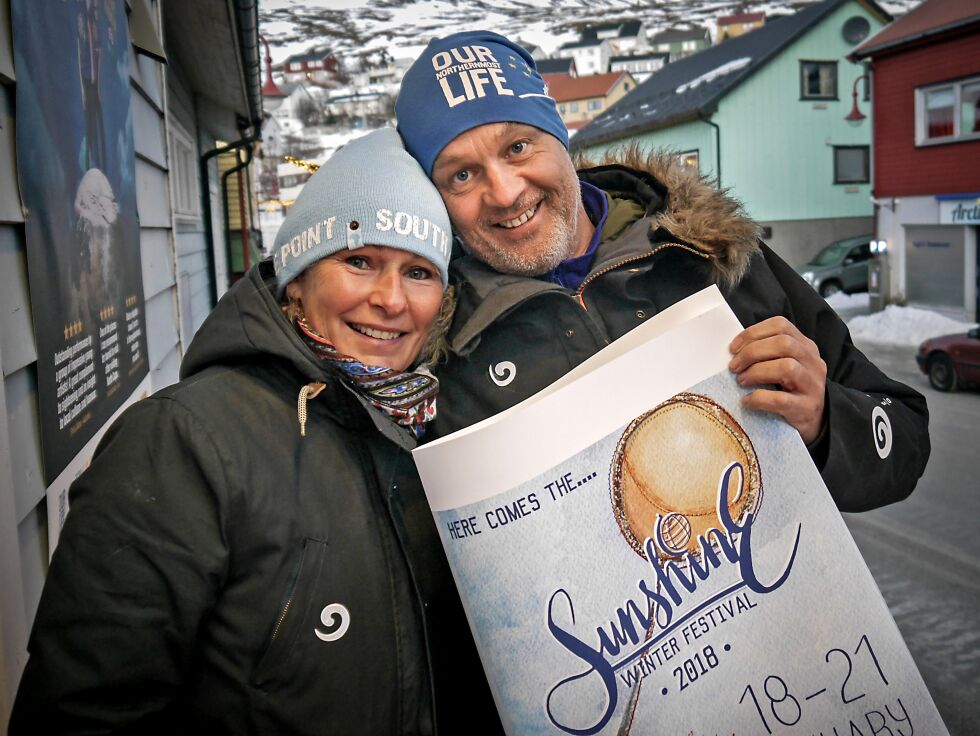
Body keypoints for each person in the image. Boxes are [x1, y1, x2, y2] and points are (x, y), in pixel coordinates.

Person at [10, 128, 494, 734]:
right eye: (359, 261)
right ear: (297, 278)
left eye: (419, 272)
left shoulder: (427, 425)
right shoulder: (182, 443)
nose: (390, 299)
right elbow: (85, 710)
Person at [395, 31, 929, 511]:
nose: (506, 192)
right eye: (461, 174)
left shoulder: (710, 252)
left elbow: (904, 436)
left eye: (518, 146)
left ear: (558, 137)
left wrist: (826, 421)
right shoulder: (436, 360)